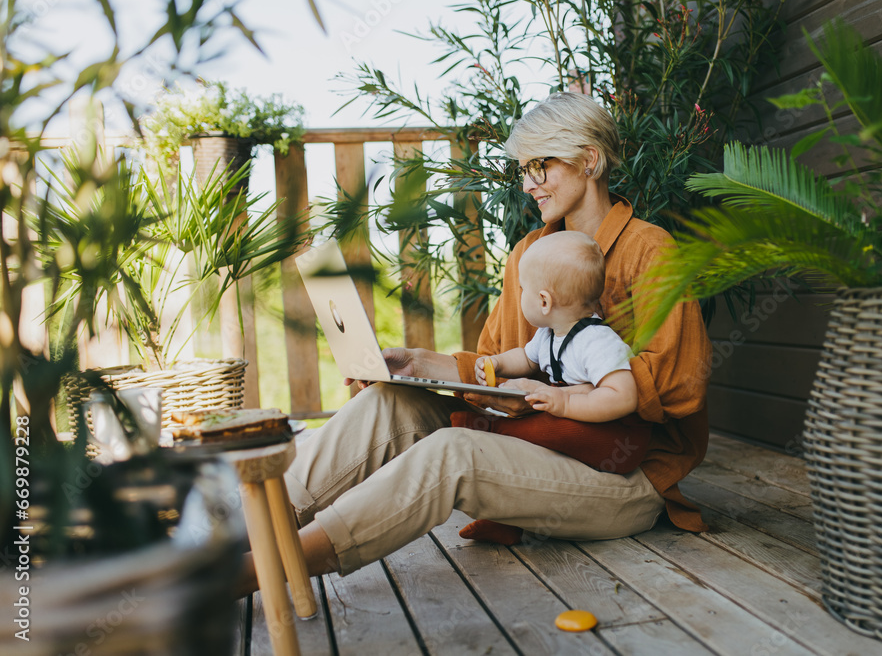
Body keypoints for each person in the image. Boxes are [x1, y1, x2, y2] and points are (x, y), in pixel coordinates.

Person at [237, 91, 711, 594]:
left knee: (453, 451)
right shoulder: (529, 253)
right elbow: (497, 366)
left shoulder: (650, 249)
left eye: (540, 166)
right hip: (533, 442)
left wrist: (570, 395)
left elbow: (681, 386)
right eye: (523, 169)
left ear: (589, 160)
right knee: (389, 400)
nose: (528, 183)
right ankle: (253, 530)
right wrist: (416, 363)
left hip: (624, 477)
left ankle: (259, 572)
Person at [450, 229, 653, 545]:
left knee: (543, 428)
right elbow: (527, 358)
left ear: (544, 300)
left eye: (522, 289)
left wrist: (565, 404)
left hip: (618, 438)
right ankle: (502, 521)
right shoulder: (548, 334)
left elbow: (624, 397)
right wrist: (498, 363)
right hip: (576, 420)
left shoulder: (597, 341)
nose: (520, 296)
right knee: (531, 440)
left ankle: (489, 428)